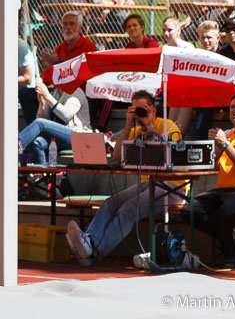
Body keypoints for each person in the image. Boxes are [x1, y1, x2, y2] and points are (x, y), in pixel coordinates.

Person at [66, 91, 185, 267]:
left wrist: (150, 126)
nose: (140, 114)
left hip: (172, 187)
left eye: (143, 109)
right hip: (148, 184)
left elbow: (164, 157)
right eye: (135, 109)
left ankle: (94, 251)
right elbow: (116, 155)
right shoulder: (134, 130)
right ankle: (89, 242)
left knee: (129, 208)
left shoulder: (168, 126)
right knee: (110, 203)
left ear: (153, 109)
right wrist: (128, 125)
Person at [184, 93, 235, 269]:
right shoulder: (227, 135)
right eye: (232, 107)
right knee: (188, 210)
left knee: (226, 212)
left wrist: (225, 145)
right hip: (223, 190)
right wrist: (212, 148)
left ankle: (230, 254)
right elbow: (210, 167)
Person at [19, 80, 92, 164]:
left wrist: (48, 96)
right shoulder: (55, 93)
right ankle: (40, 173)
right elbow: (42, 119)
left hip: (79, 136)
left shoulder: (76, 91)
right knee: (37, 142)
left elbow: (66, 115)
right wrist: (41, 105)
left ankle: (16, 147)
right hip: (60, 137)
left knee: (40, 123)